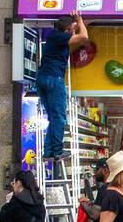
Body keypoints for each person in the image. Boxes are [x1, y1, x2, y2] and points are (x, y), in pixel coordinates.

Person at [36, 12, 89, 162]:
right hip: (54, 79)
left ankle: (48, 152)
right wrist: (79, 20)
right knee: (59, 118)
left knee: (53, 118)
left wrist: (76, 22)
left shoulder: (54, 37)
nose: (75, 30)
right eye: (73, 28)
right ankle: (58, 152)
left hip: (42, 78)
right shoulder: (60, 36)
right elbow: (84, 36)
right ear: (67, 30)